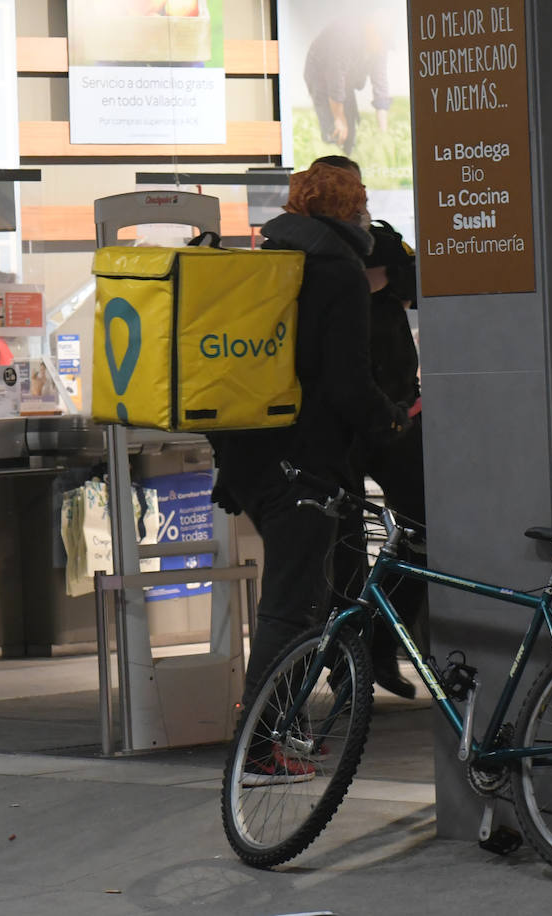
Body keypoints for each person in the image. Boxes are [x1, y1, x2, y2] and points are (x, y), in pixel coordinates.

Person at [207, 163, 409, 776]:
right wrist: (390, 420)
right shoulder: (337, 272)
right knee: (290, 607)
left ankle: (280, 726)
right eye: (363, 204)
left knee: (309, 596)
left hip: (251, 455)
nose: (368, 215)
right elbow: (346, 381)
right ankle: (261, 744)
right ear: (348, 210)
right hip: (302, 464)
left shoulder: (271, 257)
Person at [312, 156, 427, 699]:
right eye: (351, 195)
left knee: (426, 529)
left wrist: (385, 280)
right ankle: (347, 664)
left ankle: (381, 643)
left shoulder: (383, 240)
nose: (360, 204)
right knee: (345, 546)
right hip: (341, 422)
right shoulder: (311, 250)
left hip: (397, 413)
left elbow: (416, 279)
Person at [303, 12, 394, 156]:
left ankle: (348, 162)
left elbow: (380, 86)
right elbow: (335, 76)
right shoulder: (346, 36)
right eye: (380, 42)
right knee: (335, 131)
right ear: (371, 30)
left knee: (351, 131)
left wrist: (384, 134)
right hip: (320, 74)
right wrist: (339, 118)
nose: (381, 48)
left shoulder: (380, 47)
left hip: (345, 79)